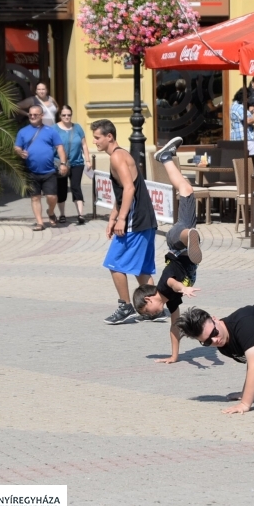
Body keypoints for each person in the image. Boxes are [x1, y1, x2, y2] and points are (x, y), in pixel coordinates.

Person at [132, 136, 204, 347]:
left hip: (176, 243)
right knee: (186, 189)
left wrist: (184, 289)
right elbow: (175, 325)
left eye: (148, 313)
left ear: (149, 299)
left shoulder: (164, 288)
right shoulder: (169, 301)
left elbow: (173, 282)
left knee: (185, 233)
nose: (151, 316)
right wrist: (174, 356)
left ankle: (191, 237)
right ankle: (166, 157)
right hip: (180, 247)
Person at [91, 119, 158, 325]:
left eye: (97, 137)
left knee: (114, 262)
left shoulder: (117, 157)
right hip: (145, 219)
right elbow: (123, 193)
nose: (95, 142)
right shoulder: (121, 155)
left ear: (109, 136)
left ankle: (125, 305)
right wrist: (113, 217)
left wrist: (121, 219)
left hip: (135, 221)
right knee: (142, 269)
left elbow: (129, 189)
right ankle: (156, 307)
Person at [13, 105, 68, 231]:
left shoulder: (50, 131)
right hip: (31, 171)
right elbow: (17, 147)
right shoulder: (23, 131)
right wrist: (20, 152)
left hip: (49, 171)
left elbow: (60, 147)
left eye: (35, 114)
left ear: (41, 116)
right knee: (35, 197)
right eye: (30, 114)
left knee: (52, 197)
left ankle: (51, 211)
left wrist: (63, 163)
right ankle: (39, 222)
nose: (32, 116)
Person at [54, 105, 91, 225]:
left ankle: (80, 214)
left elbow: (84, 145)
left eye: (69, 115)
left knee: (76, 186)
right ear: (60, 116)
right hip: (61, 163)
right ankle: (62, 214)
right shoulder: (54, 129)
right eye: (64, 115)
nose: (66, 117)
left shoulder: (78, 128)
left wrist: (88, 160)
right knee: (62, 188)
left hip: (77, 162)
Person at [231, 94, 254, 169]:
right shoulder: (240, 107)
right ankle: (251, 178)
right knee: (252, 163)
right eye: (248, 97)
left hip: (237, 139)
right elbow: (248, 120)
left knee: (240, 164)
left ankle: (242, 178)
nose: (248, 100)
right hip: (246, 138)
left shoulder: (234, 105)